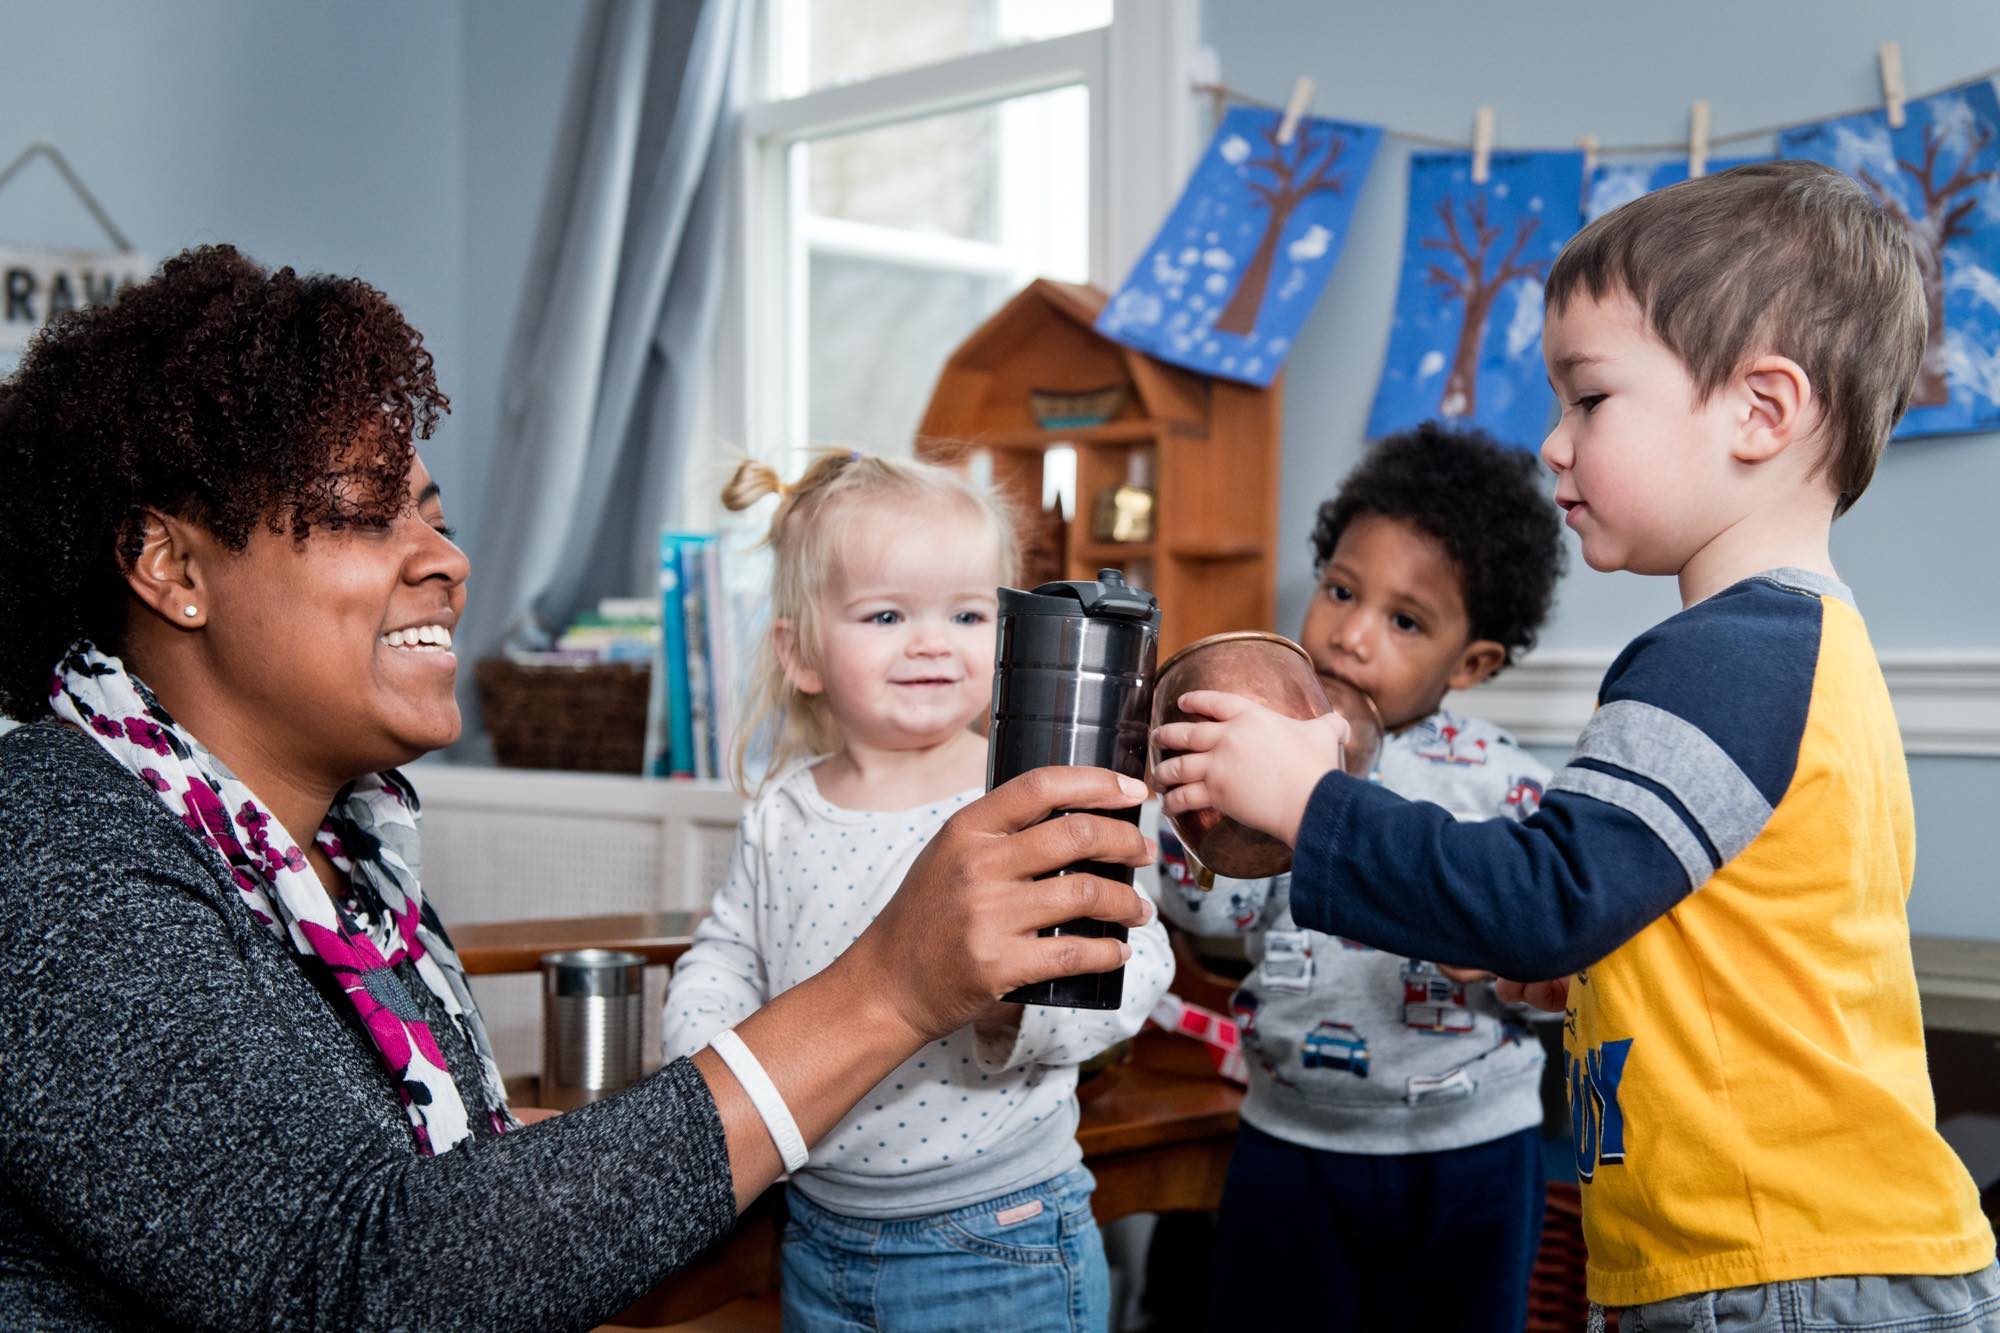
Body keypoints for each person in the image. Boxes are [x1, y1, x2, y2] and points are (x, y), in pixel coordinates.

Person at [0, 245, 1155, 1331]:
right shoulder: (47, 853)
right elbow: (367, 1276)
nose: (447, 559)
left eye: (437, 517)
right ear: (172, 566)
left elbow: (429, 1175)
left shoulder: (342, 865)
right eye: (365, 511)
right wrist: (887, 992)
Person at [1153, 162, 2000, 1330]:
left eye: (1587, 400)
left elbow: (1542, 892)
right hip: (1791, 1255)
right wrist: (1590, 967)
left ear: (1762, 410)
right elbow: (1726, 924)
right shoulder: (1798, 649)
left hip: (1779, 1267)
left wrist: (1310, 798)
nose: (1550, 444)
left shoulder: (1725, 655)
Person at [663, 451, 1173, 1333]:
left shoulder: (1036, 793)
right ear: (802, 652)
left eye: (969, 613)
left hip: (997, 1237)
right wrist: (712, 1073)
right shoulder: (782, 813)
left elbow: (1136, 955)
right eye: (887, 613)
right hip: (819, 1231)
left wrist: (1016, 1013)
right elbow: (727, 952)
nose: (932, 641)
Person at [1155, 424, 1564, 1332]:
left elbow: (1560, 974)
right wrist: (1187, 799)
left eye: (1404, 619)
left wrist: (1496, 962)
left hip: (1472, 1149)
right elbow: (1204, 908)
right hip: (1291, 1138)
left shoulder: (1507, 786)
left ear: (1472, 663)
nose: (1349, 634)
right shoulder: (1262, 750)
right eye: (1341, 589)